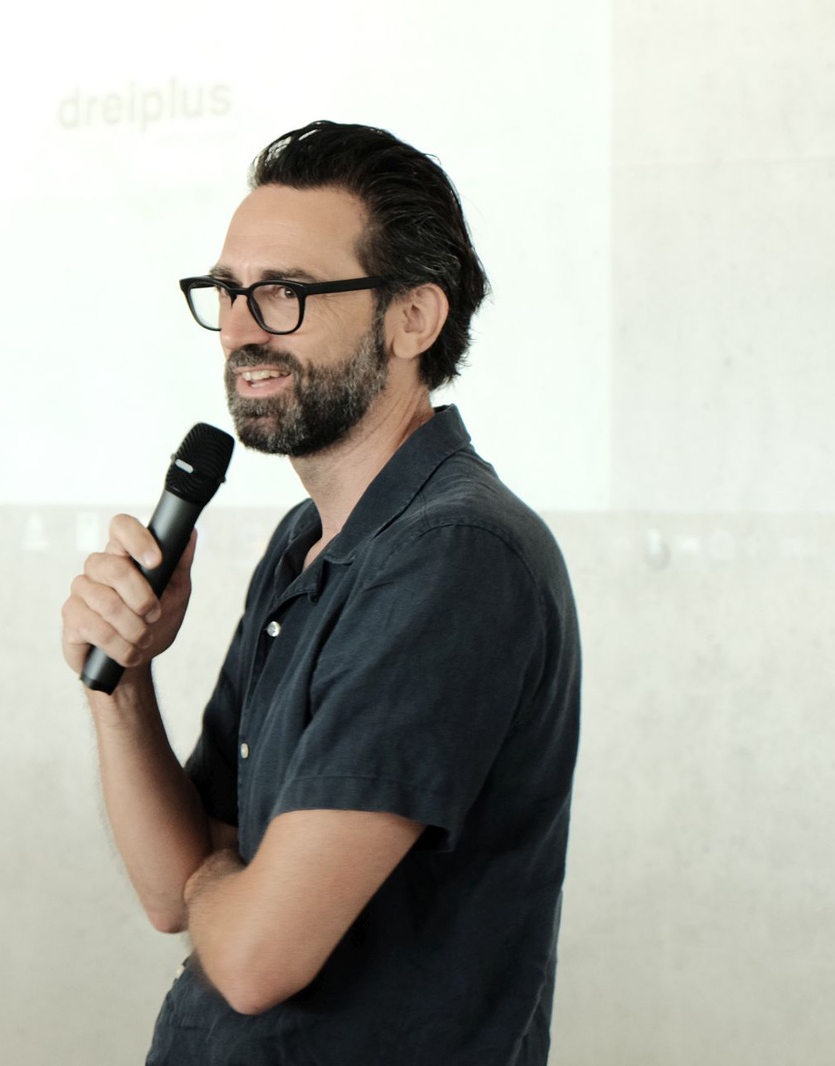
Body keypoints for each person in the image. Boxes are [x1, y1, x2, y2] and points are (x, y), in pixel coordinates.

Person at [61, 120, 582, 1064]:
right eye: (227, 291)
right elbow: (170, 891)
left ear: (413, 318)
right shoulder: (305, 543)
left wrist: (219, 885)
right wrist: (122, 685)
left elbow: (254, 957)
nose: (240, 328)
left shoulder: (454, 558)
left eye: (285, 292)